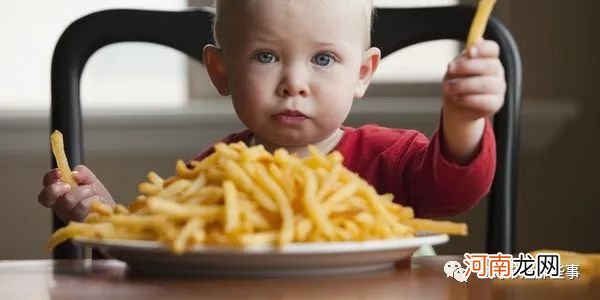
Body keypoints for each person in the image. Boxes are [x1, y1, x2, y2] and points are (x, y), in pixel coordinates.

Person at [38, 0, 506, 223]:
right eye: (266, 56)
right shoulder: (210, 176)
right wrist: (104, 216)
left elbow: (453, 190)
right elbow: (158, 249)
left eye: (323, 59)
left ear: (362, 73)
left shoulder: (392, 160)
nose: (294, 83)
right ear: (220, 71)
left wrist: (464, 119)